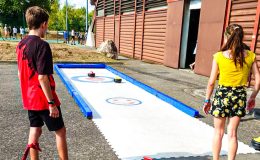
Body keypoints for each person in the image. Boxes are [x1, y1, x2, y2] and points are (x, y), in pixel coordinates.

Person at [16, 6, 68, 160]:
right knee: (60, 131)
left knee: (35, 129)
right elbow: (42, 77)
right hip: (43, 99)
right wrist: (51, 103)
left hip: (29, 98)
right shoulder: (42, 45)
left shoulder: (20, 45)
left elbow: (20, 74)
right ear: (44, 24)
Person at [203, 24, 260, 160]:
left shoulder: (218, 56)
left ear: (226, 37)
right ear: (241, 38)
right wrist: (252, 97)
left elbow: (211, 82)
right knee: (233, 134)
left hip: (222, 95)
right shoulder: (251, 56)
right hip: (239, 96)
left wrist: (207, 100)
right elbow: (258, 80)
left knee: (218, 132)